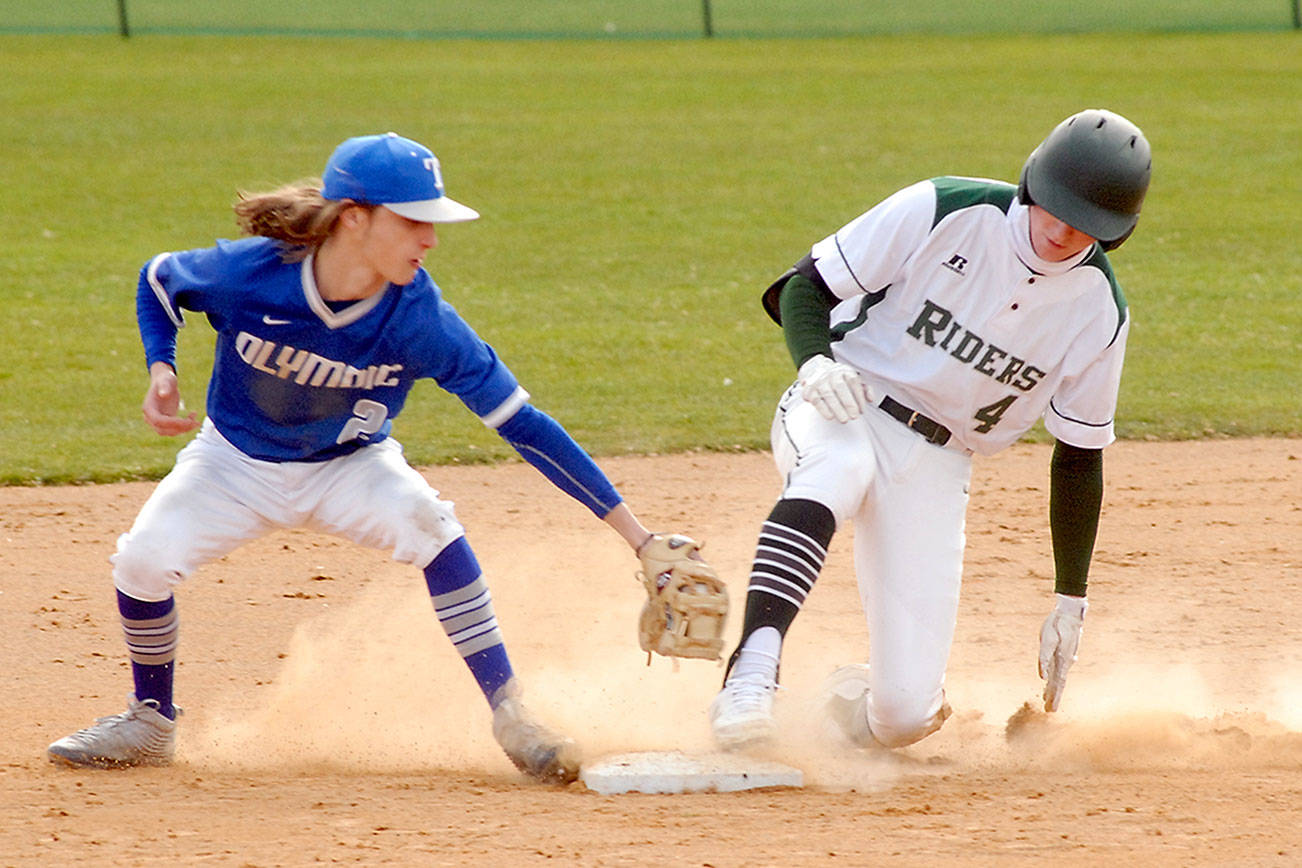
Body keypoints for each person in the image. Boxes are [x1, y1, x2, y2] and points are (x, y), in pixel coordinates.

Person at [47, 132, 668, 784]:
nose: (429, 239)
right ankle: (150, 720)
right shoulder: (253, 274)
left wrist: (640, 538)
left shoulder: (420, 318)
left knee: (432, 527)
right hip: (231, 464)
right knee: (141, 561)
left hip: (351, 466)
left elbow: (524, 426)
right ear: (353, 218)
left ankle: (511, 713)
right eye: (412, 221)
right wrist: (161, 367)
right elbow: (159, 280)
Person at [708, 109, 1152, 751]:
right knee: (839, 468)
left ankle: (839, 706)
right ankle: (750, 675)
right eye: (1055, 207)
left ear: (1116, 232)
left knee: (903, 718)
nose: (1062, 230)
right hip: (847, 400)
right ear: (1032, 185)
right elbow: (802, 288)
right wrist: (814, 366)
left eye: (1087, 224)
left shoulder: (1099, 311)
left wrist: (1070, 598)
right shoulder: (944, 208)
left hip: (939, 461)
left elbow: (1079, 456)